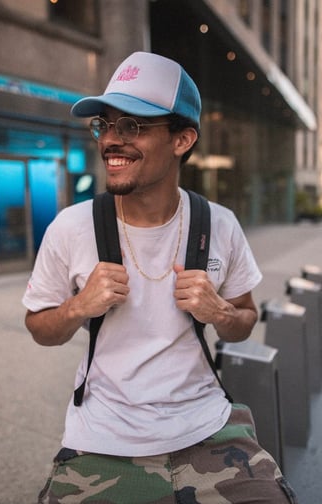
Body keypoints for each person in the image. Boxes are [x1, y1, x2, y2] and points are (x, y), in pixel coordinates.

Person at [23, 51, 297, 504]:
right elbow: (38, 327)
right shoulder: (71, 227)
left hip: (207, 426)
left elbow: (245, 317)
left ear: (182, 139)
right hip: (101, 437)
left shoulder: (219, 224)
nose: (111, 139)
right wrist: (77, 307)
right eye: (104, 125)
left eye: (131, 126)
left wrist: (219, 311)